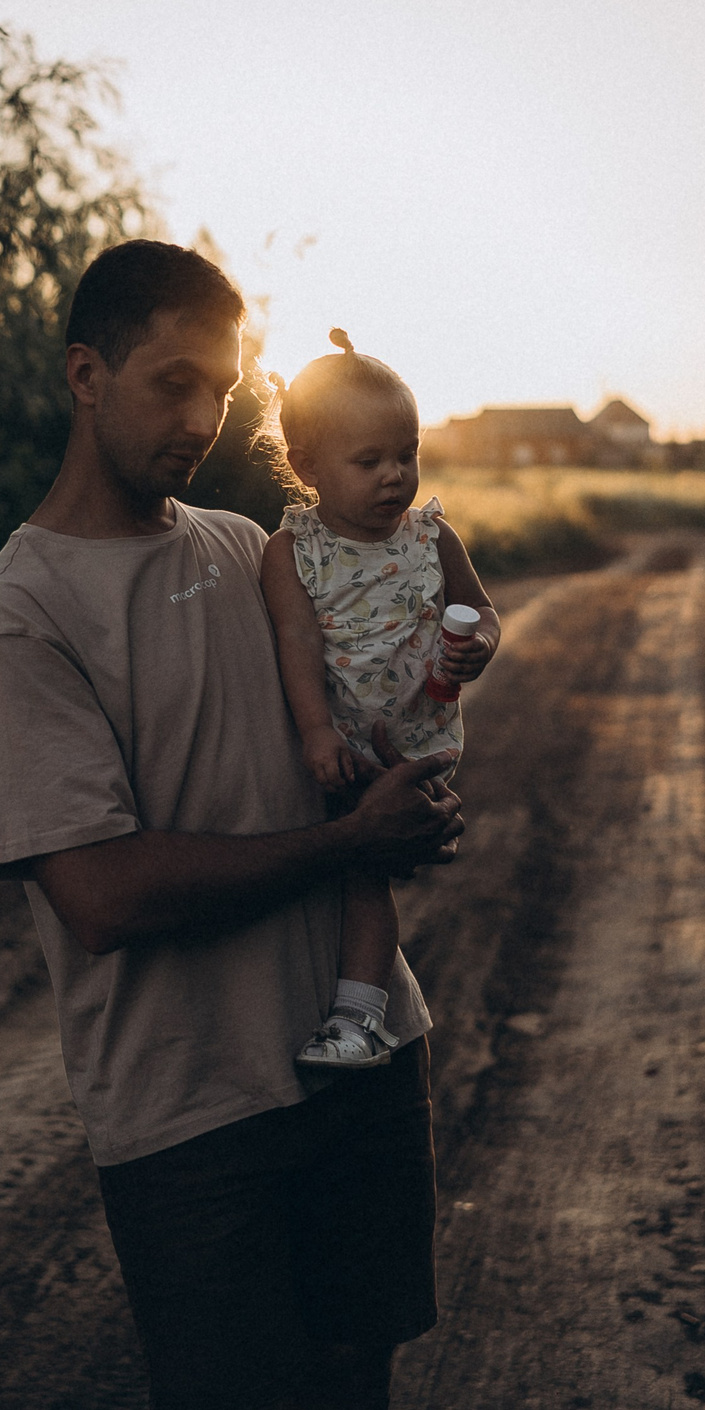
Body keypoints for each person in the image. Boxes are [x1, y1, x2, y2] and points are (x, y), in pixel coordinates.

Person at [0, 240, 469, 1410]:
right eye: (172, 382)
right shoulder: (16, 621)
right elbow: (101, 897)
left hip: (363, 1059)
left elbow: (359, 726)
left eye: (222, 389)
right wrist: (347, 847)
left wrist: (405, 796)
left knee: (356, 1381)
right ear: (85, 374)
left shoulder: (250, 551)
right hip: (191, 1117)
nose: (201, 416)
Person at [262, 330, 501, 1070]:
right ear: (306, 466)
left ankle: (359, 1019)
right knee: (331, 873)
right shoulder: (293, 550)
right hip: (337, 744)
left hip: (414, 741)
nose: (395, 475)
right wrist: (315, 732)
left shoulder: (432, 537)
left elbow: (483, 612)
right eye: (369, 461)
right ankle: (330, 1009)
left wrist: (480, 644)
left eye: (407, 452)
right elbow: (297, 645)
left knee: (363, 872)